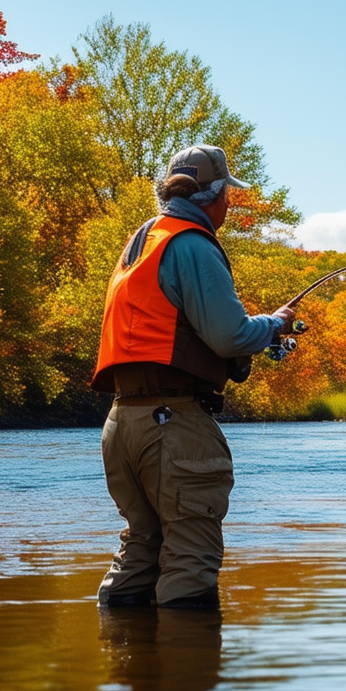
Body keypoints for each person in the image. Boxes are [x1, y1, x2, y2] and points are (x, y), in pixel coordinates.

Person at [90, 144, 295, 609]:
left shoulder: (141, 241)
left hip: (121, 423)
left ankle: (124, 671)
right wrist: (275, 323)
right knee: (190, 560)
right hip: (172, 426)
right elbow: (230, 336)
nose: (229, 205)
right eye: (229, 196)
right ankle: (186, 675)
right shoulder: (192, 244)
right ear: (217, 195)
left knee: (140, 551)